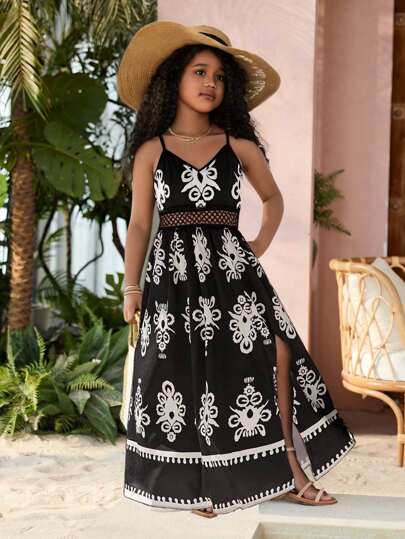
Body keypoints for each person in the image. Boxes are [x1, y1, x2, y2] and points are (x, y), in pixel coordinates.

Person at [117, 20, 356, 518]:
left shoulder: (237, 144)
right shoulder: (152, 150)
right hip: (173, 277)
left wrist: (258, 244)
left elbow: (273, 198)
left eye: (220, 77)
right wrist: (131, 286)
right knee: (187, 372)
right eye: (200, 71)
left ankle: (291, 471)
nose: (211, 83)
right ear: (174, 79)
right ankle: (203, 487)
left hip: (233, 273)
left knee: (277, 352)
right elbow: (140, 224)